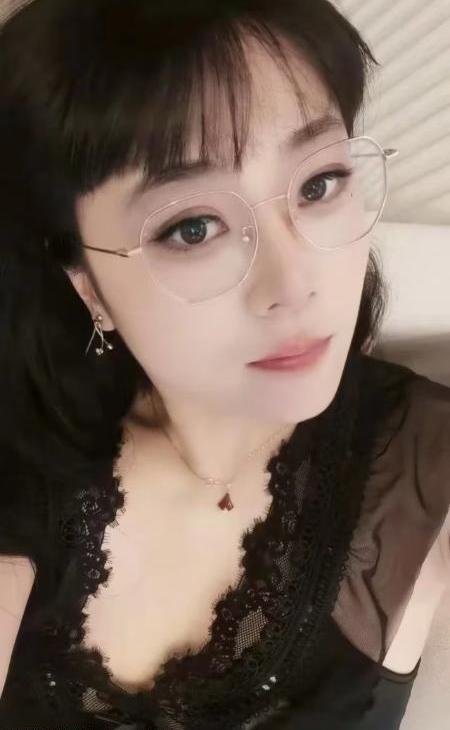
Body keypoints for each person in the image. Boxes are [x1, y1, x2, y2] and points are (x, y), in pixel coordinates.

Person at [0, 0, 449, 728]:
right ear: (86, 283)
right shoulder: (24, 470)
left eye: (319, 184)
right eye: (193, 227)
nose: (295, 284)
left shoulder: (421, 464)